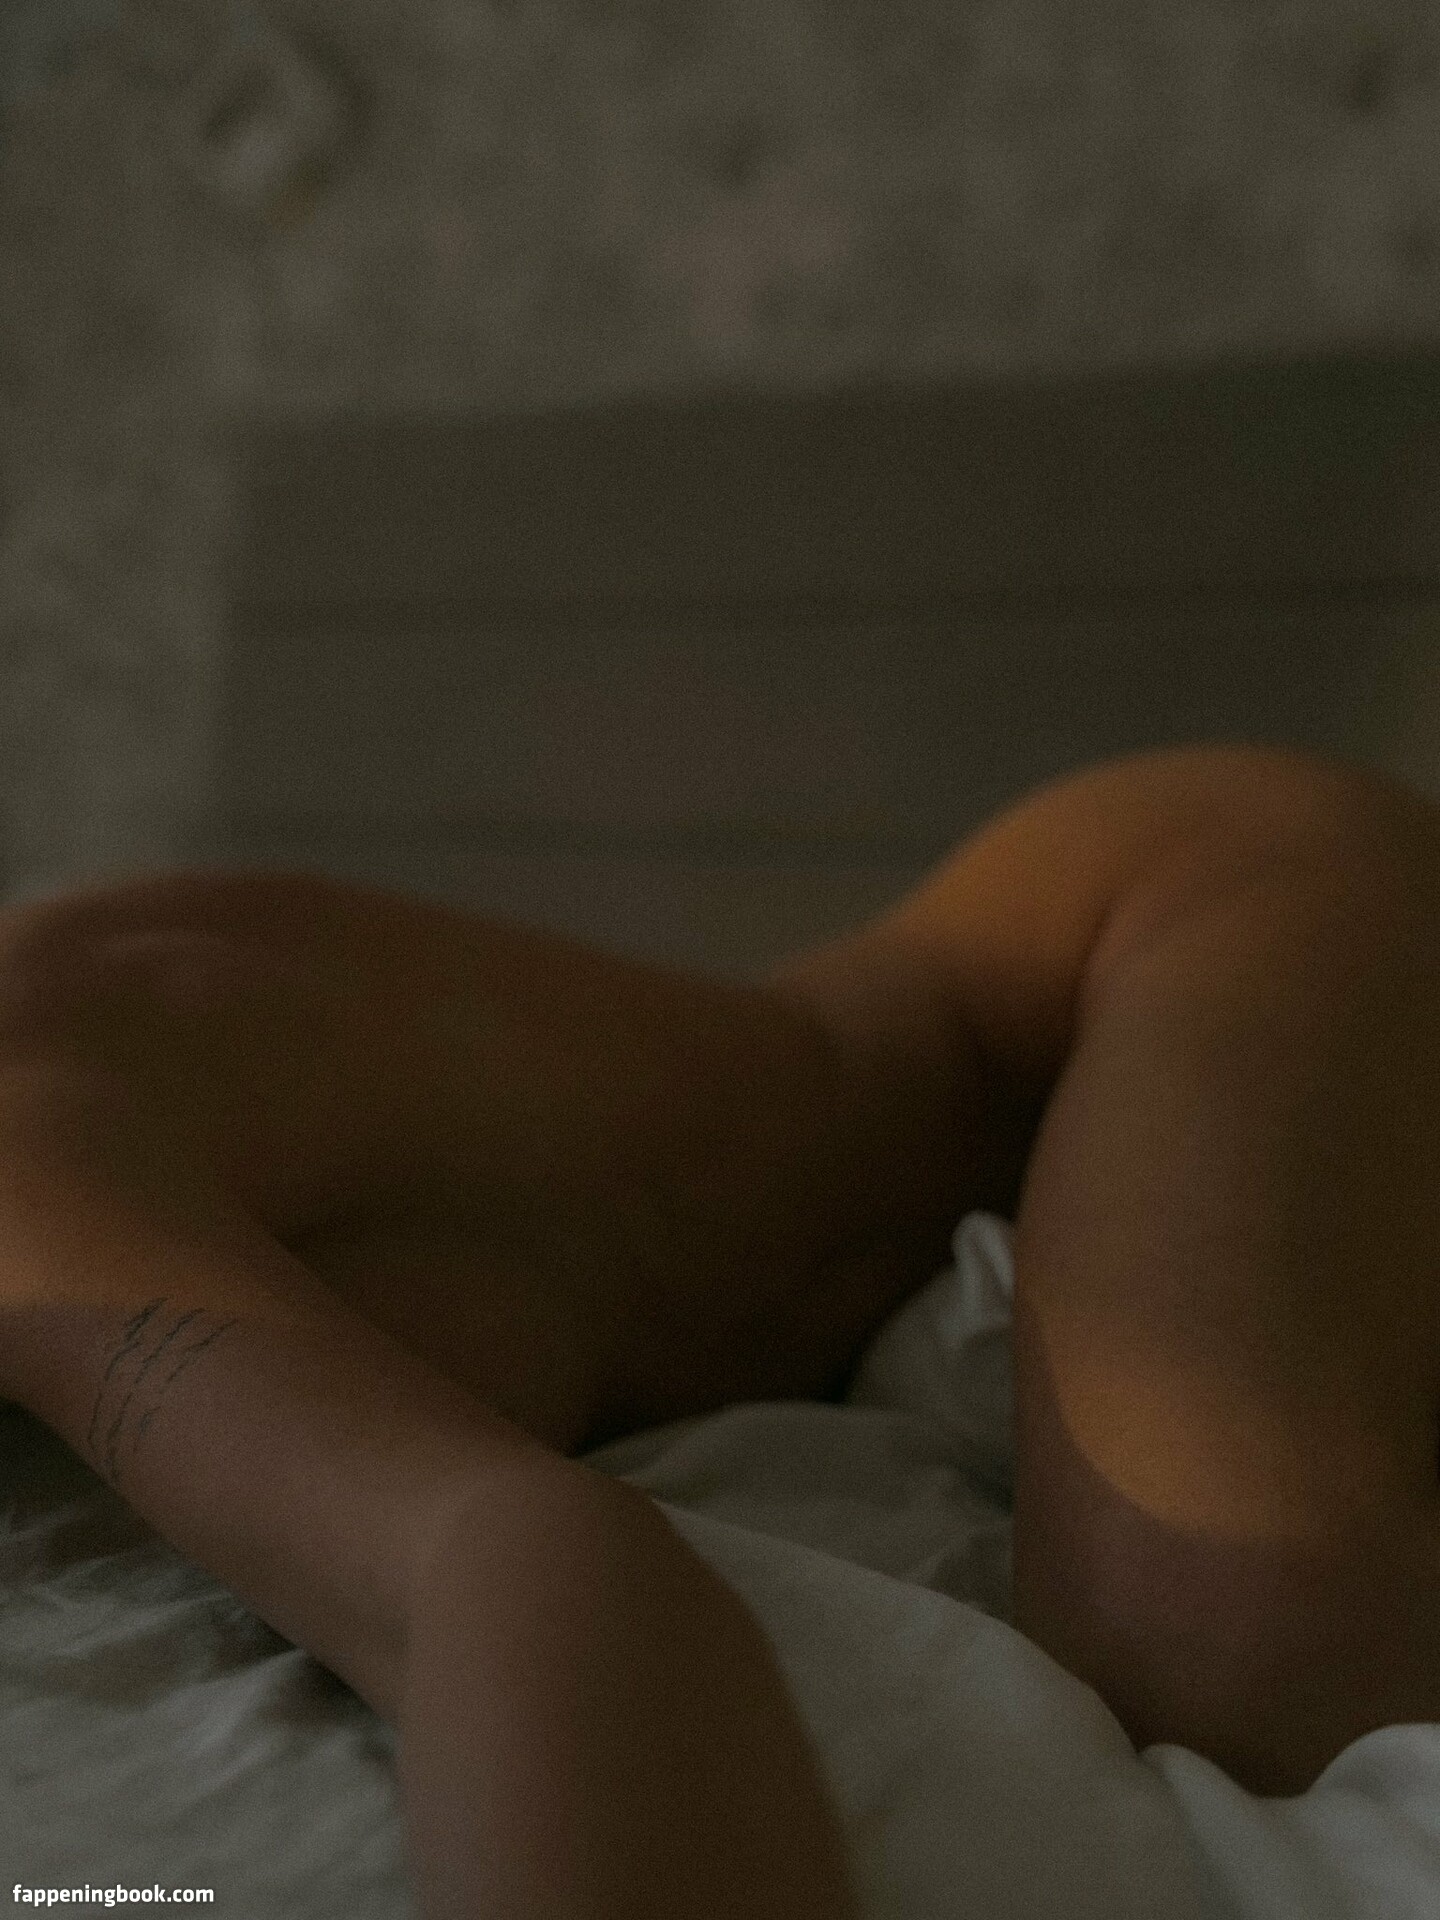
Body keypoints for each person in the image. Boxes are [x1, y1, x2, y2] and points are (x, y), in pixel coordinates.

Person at [0, 739, 1438, 1915]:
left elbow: (510, 1553)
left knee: (1232, 1671)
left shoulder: (39, 1198)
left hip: (1199, 904)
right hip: (921, 1135)